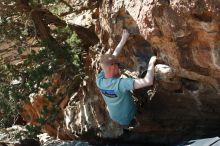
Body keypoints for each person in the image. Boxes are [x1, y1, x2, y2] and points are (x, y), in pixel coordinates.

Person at [96, 29, 157, 126]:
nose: (118, 66)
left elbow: (113, 56)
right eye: (117, 64)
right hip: (128, 117)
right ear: (113, 67)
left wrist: (123, 39)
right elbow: (148, 81)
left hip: (114, 115)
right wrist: (151, 63)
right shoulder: (120, 84)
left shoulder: (99, 79)